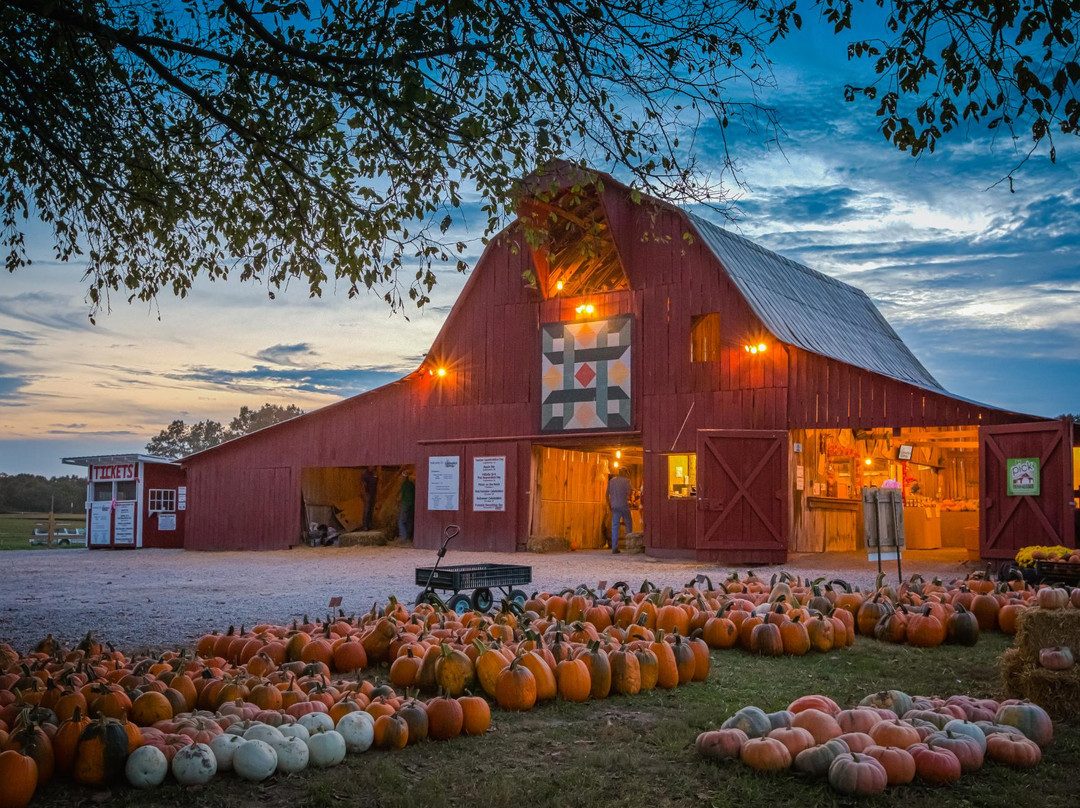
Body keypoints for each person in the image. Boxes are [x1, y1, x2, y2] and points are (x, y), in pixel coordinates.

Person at [607, 468, 632, 554]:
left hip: (614, 506)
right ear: (625, 473)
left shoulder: (612, 481)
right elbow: (629, 493)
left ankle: (614, 547)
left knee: (615, 526)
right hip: (624, 505)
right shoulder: (626, 481)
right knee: (628, 524)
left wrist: (609, 504)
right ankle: (629, 546)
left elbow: (607, 494)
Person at [398, 469, 415, 541]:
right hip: (412, 505)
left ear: (404, 477)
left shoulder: (404, 485)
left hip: (406, 504)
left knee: (401, 521)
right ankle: (408, 536)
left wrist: (398, 502)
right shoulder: (412, 484)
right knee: (410, 521)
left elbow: (401, 496)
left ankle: (404, 537)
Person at [361, 467, 379, 531]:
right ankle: (365, 526)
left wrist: (376, 495)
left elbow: (376, 485)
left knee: (371, 510)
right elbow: (363, 486)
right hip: (367, 494)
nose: (373, 466)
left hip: (373, 494)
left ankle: (370, 525)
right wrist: (365, 495)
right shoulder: (365, 474)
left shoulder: (375, 473)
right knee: (366, 510)